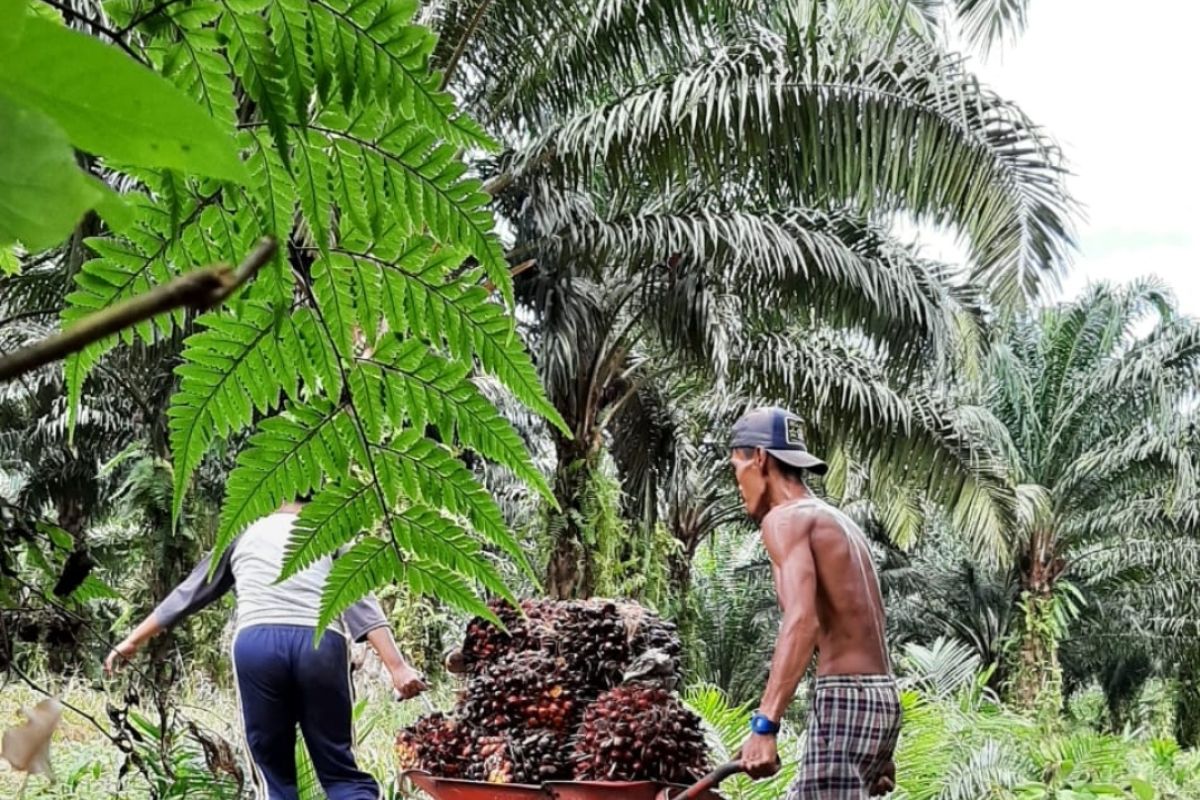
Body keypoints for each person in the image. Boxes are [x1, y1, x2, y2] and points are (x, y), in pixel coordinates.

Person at [105, 500, 427, 800]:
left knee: (274, 775)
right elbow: (362, 603)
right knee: (340, 773)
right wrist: (397, 668)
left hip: (257, 646)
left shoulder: (243, 529)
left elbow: (187, 594)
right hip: (320, 645)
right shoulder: (332, 530)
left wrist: (132, 640)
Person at [729, 407, 900, 799]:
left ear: (760, 458)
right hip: (879, 695)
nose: (738, 484)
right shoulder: (839, 523)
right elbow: (869, 621)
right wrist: (879, 741)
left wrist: (765, 726)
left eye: (737, 468)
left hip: (845, 697)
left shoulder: (785, 520)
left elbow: (802, 621)